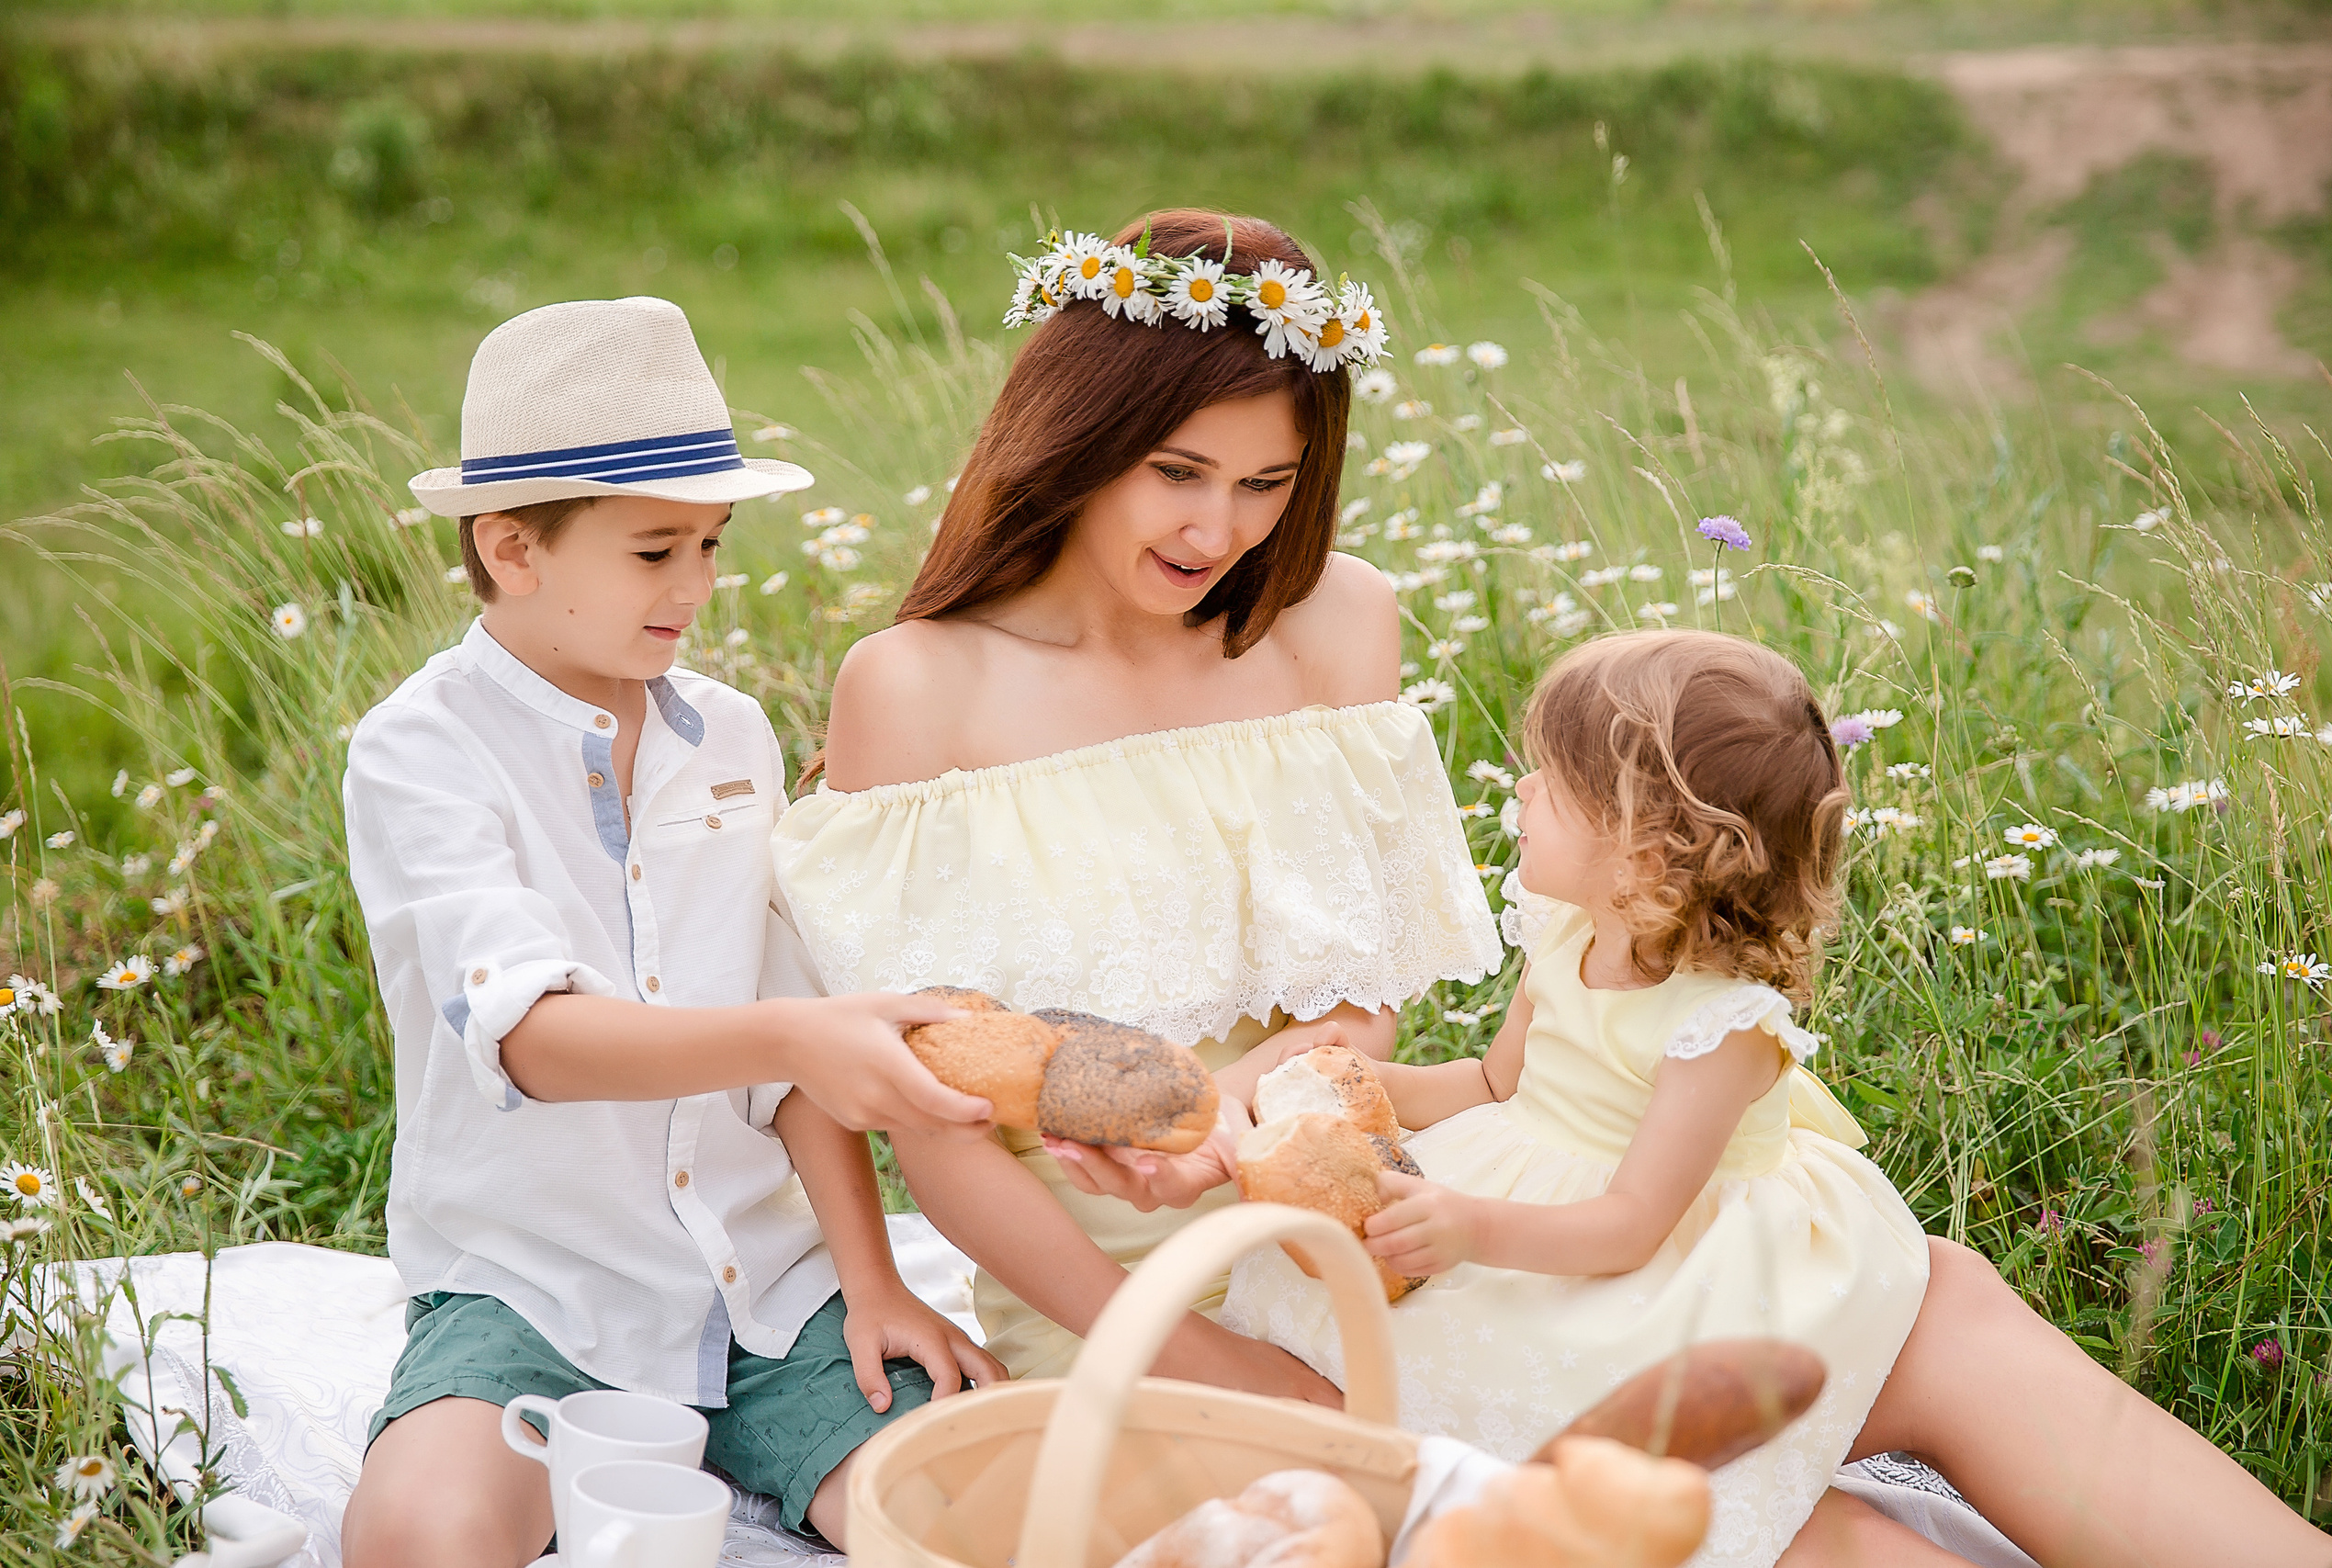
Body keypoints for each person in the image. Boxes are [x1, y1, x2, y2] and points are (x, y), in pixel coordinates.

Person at [1221, 629, 2332, 1568]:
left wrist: (1473, 1228)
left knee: (1572, 1368)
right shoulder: (1566, 931)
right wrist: (1363, 1084)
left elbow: (1630, 1226)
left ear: (1645, 849)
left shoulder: (1721, 1026)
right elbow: (1492, 1083)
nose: (1518, 790)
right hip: (1540, 1202)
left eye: (1548, 784)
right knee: (1443, 1347)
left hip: (1673, 1251)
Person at [772, 209, 1505, 1392]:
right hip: (1091, 1287)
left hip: (1322, 1213)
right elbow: (929, 1115)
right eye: (1176, 472)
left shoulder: (1335, 623)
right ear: (1077, 438)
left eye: (1266, 483)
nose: (1217, 530)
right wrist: (1176, 1341)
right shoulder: (917, 688)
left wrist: (1197, 1125)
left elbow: (1353, 1019)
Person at [338, 297, 1003, 1568]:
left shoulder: (730, 734)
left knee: (980, 1513)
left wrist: (871, 1281)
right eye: (655, 551)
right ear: (513, 548)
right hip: (538, 1291)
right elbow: (533, 1039)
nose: (696, 587)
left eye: (710, 543)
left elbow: (794, 1054)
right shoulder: (420, 750)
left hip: (767, 1294)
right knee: (417, 1535)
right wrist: (795, 1032)